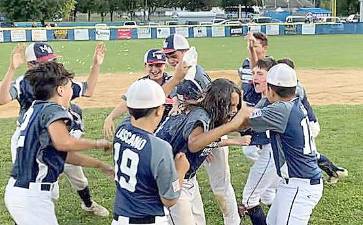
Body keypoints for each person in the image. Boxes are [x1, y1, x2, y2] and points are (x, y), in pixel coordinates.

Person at [0, 42, 110, 216]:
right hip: (32, 139)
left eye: (51, 60)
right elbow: (2, 98)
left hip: (54, 134)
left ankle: (87, 203)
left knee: (76, 177)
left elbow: (88, 90)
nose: (50, 65)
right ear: (31, 65)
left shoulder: (57, 81)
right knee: (39, 185)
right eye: (44, 62)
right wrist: (12, 68)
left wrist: (96, 65)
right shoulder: (27, 85)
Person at [163, 34, 242, 225]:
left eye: (174, 54)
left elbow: (216, 108)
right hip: (195, 134)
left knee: (220, 187)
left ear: (185, 51)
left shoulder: (196, 76)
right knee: (188, 178)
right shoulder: (180, 74)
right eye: (167, 55)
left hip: (211, 131)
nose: (170, 59)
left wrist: (208, 143)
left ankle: (233, 221)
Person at [155, 79, 251, 225]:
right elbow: (194, 144)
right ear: (218, 103)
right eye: (230, 106)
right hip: (172, 178)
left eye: (236, 106)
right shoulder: (201, 116)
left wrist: (235, 137)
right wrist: (232, 126)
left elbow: (206, 140)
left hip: (186, 178)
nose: (233, 111)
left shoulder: (207, 115)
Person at [241, 63, 324, 225]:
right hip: (292, 183)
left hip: (300, 185)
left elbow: (245, 122)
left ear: (271, 90)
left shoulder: (280, 110)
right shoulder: (295, 102)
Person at [112, 79, 190, 225]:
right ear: (159, 110)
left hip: (119, 218)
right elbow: (170, 199)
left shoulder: (121, 128)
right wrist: (181, 170)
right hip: (148, 220)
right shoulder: (159, 147)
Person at [276, 58, 348, 184]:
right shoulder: (290, 86)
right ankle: (334, 171)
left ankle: (333, 171)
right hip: (303, 123)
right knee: (305, 154)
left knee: (305, 155)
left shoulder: (295, 88)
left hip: (308, 124)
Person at [103, 49, 185, 140]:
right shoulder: (141, 84)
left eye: (158, 65)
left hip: (169, 128)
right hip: (146, 127)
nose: (154, 69)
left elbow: (176, 97)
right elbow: (127, 102)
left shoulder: (172, 81)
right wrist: (110, 117)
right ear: (145, 66)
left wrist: (176, 103)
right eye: (150, 65)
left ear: (165, 65)